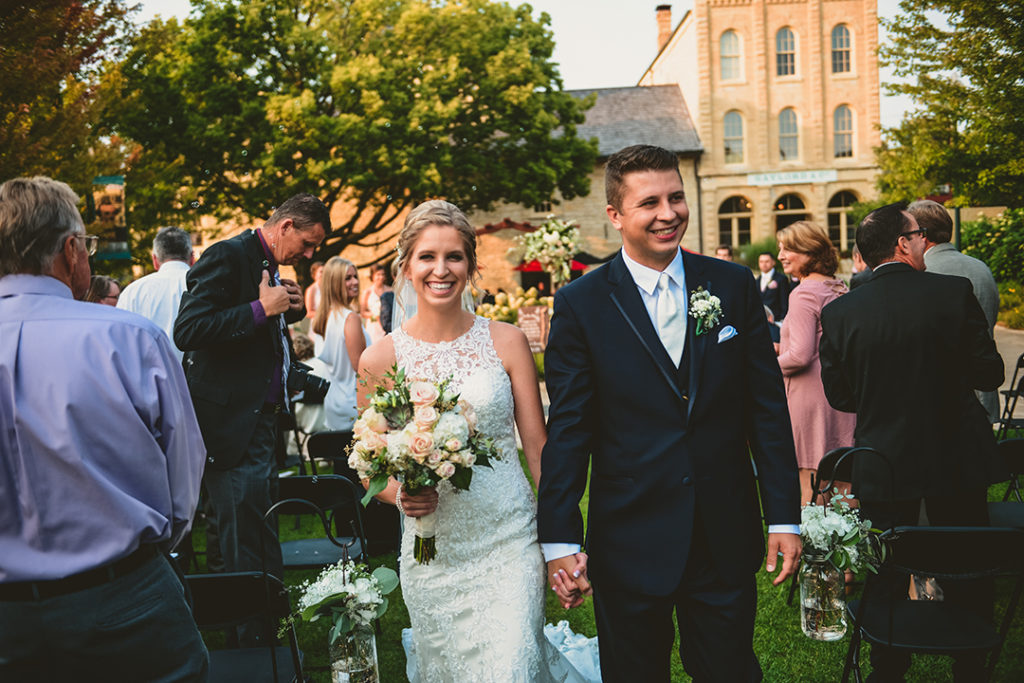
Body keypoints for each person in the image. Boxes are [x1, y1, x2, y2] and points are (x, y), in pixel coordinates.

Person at [538, 145, 801, 681]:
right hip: (629, 539)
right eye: (650, 202)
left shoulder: (730, 286)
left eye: (676, 197)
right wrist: (561, 541)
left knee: (729, 671)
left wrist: (784, 515)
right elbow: (569, 430)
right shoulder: (581, 305)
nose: (669, 212)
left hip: (722, 534)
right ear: (615, 216)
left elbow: (766, 409)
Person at [358, 200, 593, 681]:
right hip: (432, 552)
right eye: (427, 257)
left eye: (454, 257)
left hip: (509, 538)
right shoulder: (379, 358)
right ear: (405, 265)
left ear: (471, 265)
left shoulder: (506, 341)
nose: (441, 270)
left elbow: (538, 448)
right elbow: (367, 464)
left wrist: (561, 542)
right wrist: (400, 494)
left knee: (510, 669)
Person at [0, 177, 208, 679]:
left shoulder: (130, 335)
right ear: (71, 251)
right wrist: (149, 553)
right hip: (124, 594)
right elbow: (184, 475)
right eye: (87, 245)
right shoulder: (129, 339)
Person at [819, 202, 1004, 681]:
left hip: (884, 458)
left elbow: (840, 395)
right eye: (919, 235)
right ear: (903, 244)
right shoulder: (953, 292)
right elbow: (990, 371)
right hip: (957, 452)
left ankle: (888, 663)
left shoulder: (840, 313)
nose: (925, 243)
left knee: (886, 561)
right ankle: (970, 663)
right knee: (967, 558)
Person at [174, 193, 328, 625]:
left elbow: (254, 345)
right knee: (247, 542)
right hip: (232, 428)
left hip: (259, 424)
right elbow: (188, 329)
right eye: (308, 243)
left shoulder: (267, 262)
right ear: (285, 227)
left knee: (254, 533)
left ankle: (265, 628)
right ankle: (257, 640)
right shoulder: (227, 254)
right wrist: (263, 308)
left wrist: (286, 312)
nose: (310, 254)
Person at [775, 221, 856, 504]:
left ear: (809, 251)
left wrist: (762, 368)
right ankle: (851, 543)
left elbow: (799, 355)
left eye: (788, 249)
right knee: (843, 482)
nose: (781, 255)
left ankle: (815, 546)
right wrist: (777, 348)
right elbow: (822, 344)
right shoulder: (837, 287)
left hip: (809, 398)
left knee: (811, 479)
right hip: (838, 395)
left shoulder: (804, 292)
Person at [910, 199, 1001, 422]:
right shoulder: (981, 267)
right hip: (984, 391)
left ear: (921, 235)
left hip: (944, 397)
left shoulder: (922, 274)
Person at [117, 226, 194, 363]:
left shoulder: (132, 292)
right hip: (201, 380)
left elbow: (121, 343)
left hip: (149, 380)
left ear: (154, 260)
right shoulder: (205, 286)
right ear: (192, 258)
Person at [314, 256, 370, 431]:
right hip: (352, 402)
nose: (355, 282)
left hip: (333, 402)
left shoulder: (328, 316)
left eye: (355, 276)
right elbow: (361, 368)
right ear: (335, 283)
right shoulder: (349, 318)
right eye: (347, 278)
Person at [360, 262, 392, 344]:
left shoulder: (391, 290)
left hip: (387, 323)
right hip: (373, 326)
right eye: (378, 274)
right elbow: (363, 312)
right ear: (372, 276)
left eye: (383, 274)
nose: (381, 277)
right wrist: (375, 315)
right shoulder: (367, 292)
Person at [757, 251, 790, 320]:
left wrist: (781, 319)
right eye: (761, 262)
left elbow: (785, 303)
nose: (764, 264)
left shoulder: (781, 279)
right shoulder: (756, 281)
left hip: (777, 321)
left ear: (773, 262)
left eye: (767, 261)